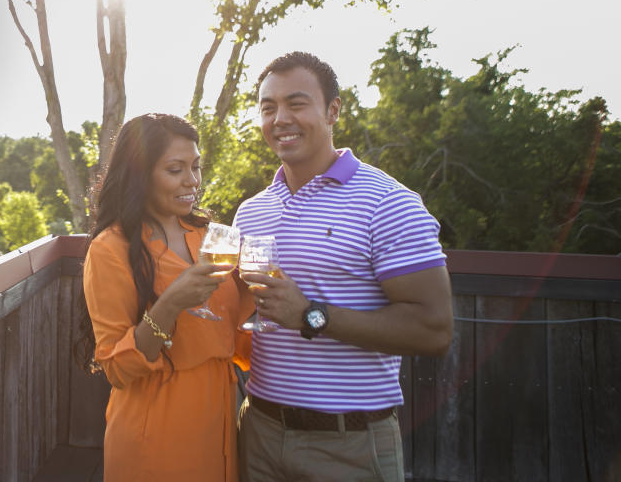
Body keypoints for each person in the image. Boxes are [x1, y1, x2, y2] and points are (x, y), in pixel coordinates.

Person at [233, 51, 453, 482]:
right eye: (268, 107)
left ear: (333, 110)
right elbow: (241, 312)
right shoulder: (251, 213)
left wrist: (311, 316)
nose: (280, 118)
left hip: (349, 445)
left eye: (296, 104)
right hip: (256, 431)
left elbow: (434, 331)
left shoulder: (389, 203)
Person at [78, 113, 252, 480]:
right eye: (176, 169)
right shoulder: (111, 248)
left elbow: (237, 340)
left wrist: (262, 297)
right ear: (140, 174)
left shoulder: (209, 236)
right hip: (155, 430)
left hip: (221, 420)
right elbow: (118, 369)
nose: (192, 181)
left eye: (196, 167)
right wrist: (171, 304)